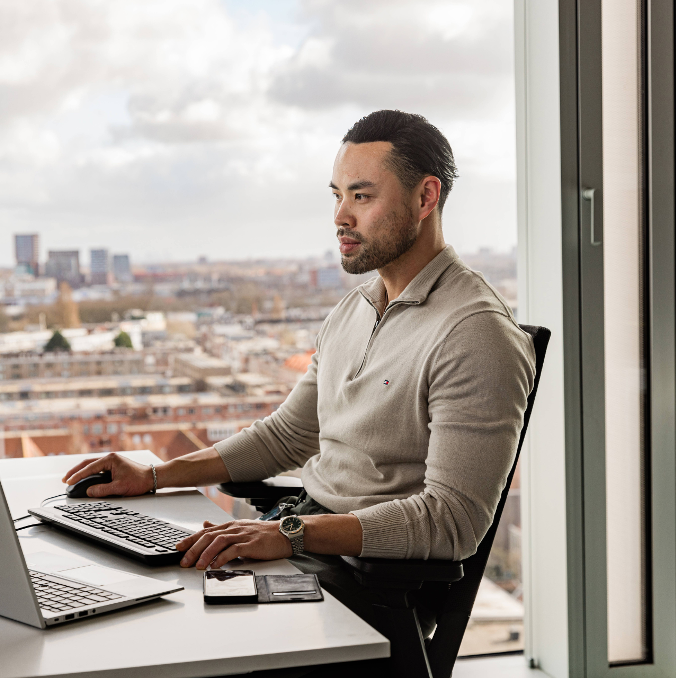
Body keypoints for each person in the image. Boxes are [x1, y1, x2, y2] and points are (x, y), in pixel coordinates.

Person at [63, 109, 535, 669]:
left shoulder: (475, 333)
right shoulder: (356, 308)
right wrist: (155, 476)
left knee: (165, 645)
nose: (340, 216)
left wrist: (291, 534)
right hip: (304, 545)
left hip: (371, 587)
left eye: (361, 197)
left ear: (425, 197)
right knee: (124, 609)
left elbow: (451, 522)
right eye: (337, 195)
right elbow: (287, 435)